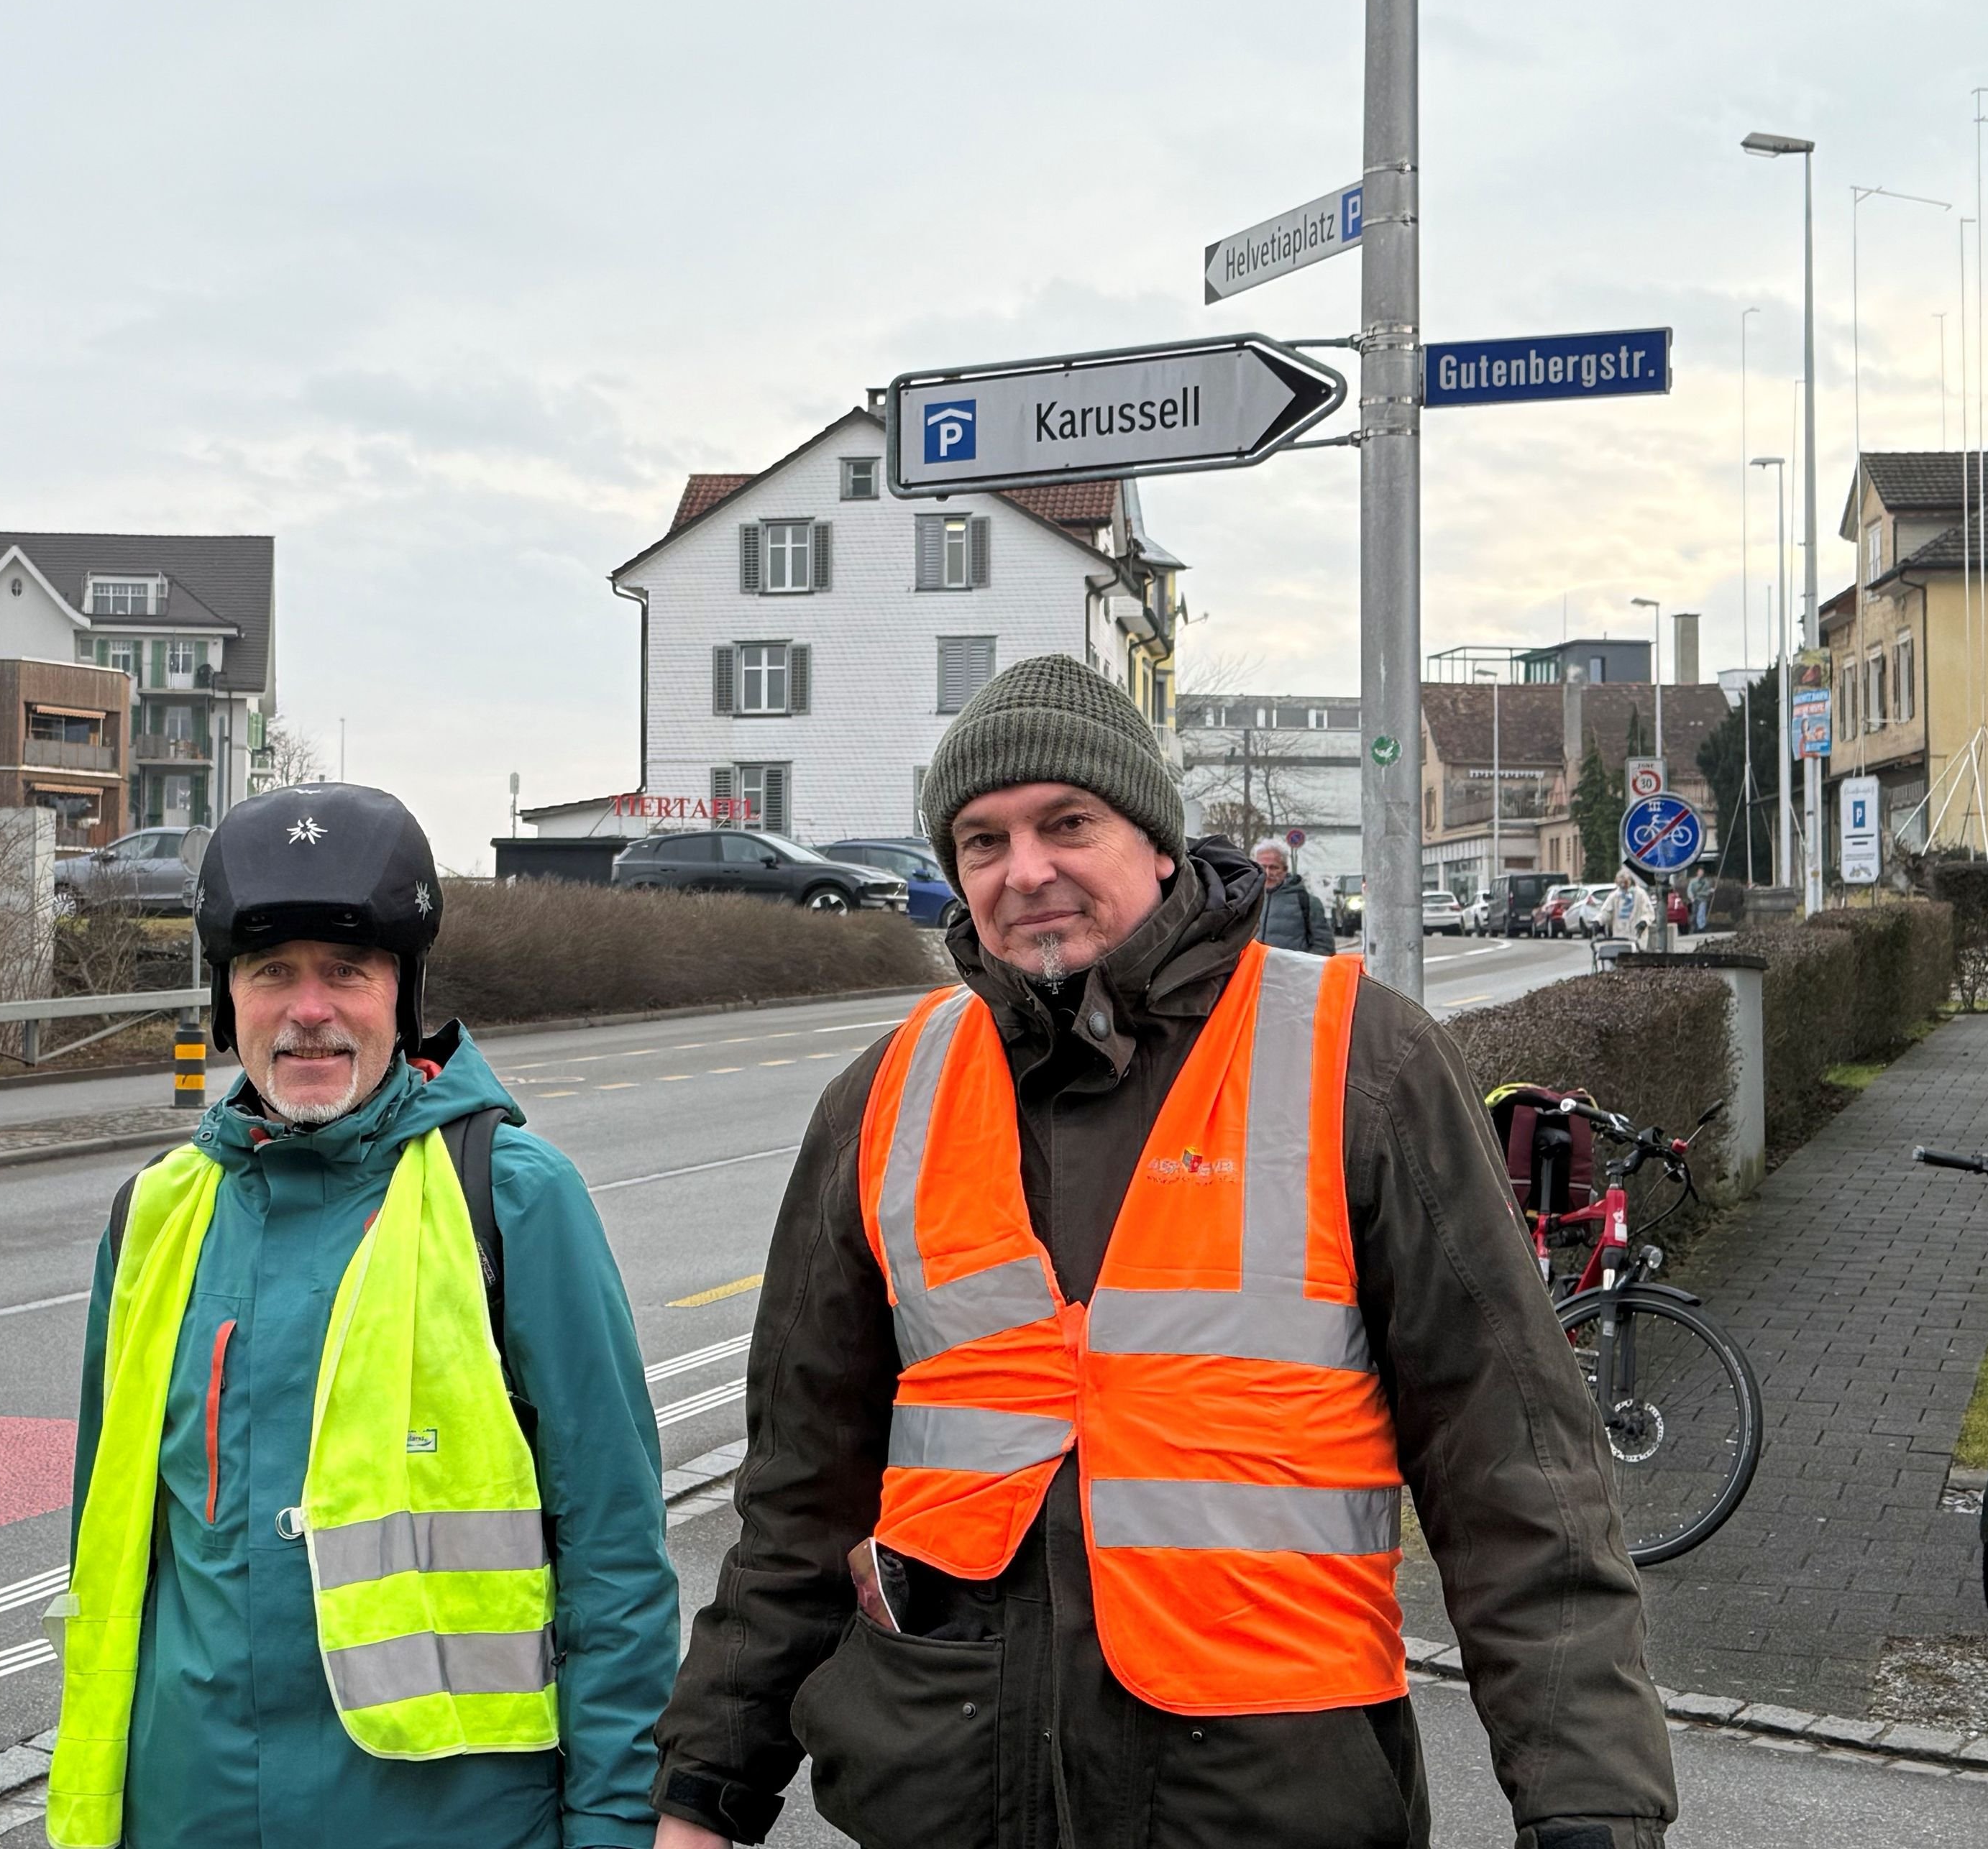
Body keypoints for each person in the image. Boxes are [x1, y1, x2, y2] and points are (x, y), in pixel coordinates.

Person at [648, 656, 1675, 1849]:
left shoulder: (1360, 1064)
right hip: (948, 1797)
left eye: (1065, 823)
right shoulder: (883, 1100)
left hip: (1263, 1805)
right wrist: (704, 1792)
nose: (1025, 870)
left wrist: (1589, 1810)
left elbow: (1518, 1477)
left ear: (1154, 839)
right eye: (982, 842)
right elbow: (797, 1502)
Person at [45, 783, 678, 1849]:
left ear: (401, 990)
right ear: (226, 998)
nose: (309, 1009)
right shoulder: (154, 1215)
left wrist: (615, 1821)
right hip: (192, 1812)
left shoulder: (514, 1199)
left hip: (451, 1822)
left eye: (347, 971)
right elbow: (109, 1550)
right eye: (270, 972)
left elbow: (615, 1551)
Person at [1250, 836, 1334, 955]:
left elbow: (1325, 947)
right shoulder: (1245, 899)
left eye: (1274, 867)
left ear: (1285, 869)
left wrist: (1302, 967)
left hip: (1291, 972)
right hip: (1251, 972)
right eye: (1262, 867)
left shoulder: (1306, 902)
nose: (1267, 873)